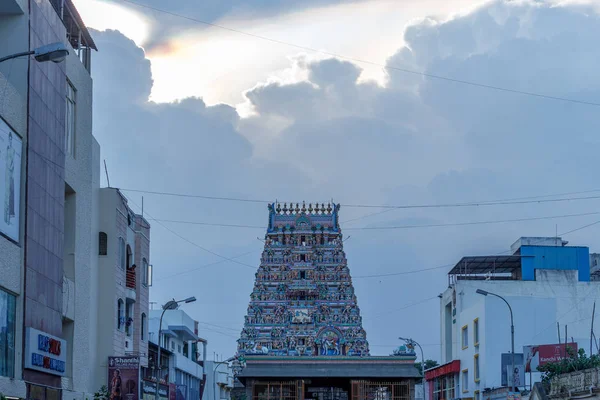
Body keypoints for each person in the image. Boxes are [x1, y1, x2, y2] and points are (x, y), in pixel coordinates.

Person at [4, 132, 15, 225]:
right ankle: (5, 218)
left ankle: (8, 219)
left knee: (10, 194)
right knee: (6, 194)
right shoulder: (7, 149)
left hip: (10, 173)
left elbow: (12, 163)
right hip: (6, 173)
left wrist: (10, 168)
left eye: (11, 139)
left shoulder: (12, 150)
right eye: (9, 139)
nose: (10, 140)